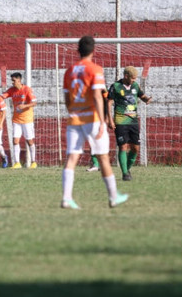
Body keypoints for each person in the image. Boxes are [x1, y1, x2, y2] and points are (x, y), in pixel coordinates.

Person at [61, 36, 129, 209]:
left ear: (78, 50)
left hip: (74, 119)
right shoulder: (95, 69)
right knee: (103, 158)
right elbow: (98, 96)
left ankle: (66, 197)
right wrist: (101, 121)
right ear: (93, 50)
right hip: (91, 119)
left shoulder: (69, 71)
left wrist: (72, 112)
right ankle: (113, 197)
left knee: (72, 158)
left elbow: (67, 97)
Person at [108, 66, 152, 181]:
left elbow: (141, 96)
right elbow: (109, 103)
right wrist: (110, 119)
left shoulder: (135, 86)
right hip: (120, 121)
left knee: (135, 149)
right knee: (123, 146)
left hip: (133, 122)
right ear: (126, 76)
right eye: (132, 78)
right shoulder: (115, 86)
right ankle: (125, 173)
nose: (134, 80)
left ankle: (127, 169)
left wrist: (146, 99)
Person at [2, 72, 37, 169]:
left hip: (27, 120)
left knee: (29, 141)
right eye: (11, 80)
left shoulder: (26, 89)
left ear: (19, 80)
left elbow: (34, 103)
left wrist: (24, 105)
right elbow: (3, 96)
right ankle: (17, 163)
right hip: (16, 120)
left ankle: (34, 162)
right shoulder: (12, 90)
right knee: (15, 140)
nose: (12, 82)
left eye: (14, 80)